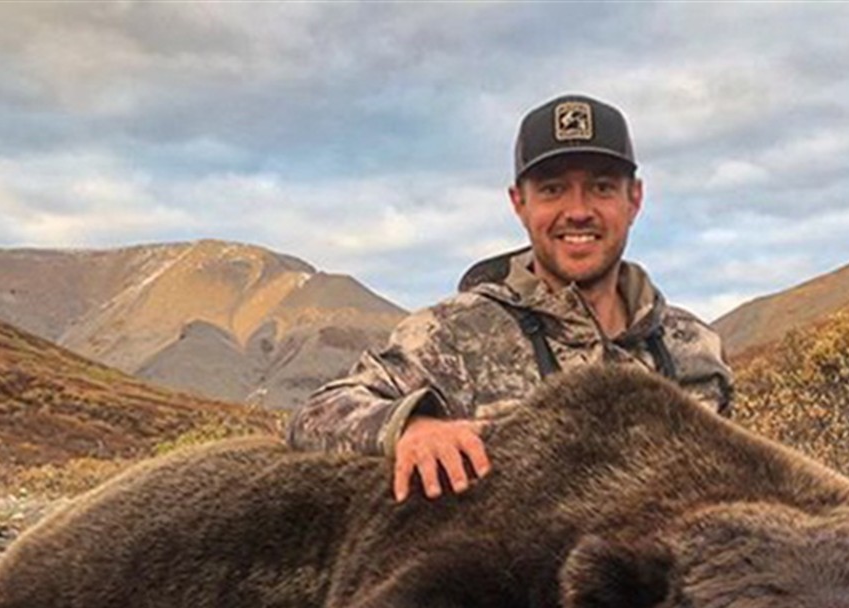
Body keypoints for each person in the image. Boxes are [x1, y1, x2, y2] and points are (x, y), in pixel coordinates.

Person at [285, 94, 734, 501]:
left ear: (634, 199)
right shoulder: (452, 336)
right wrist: (410, 427)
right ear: (519, 203)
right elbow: (316, 414)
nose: (578, 211)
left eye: (601, 187)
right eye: (553, 189)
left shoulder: (692, 347)